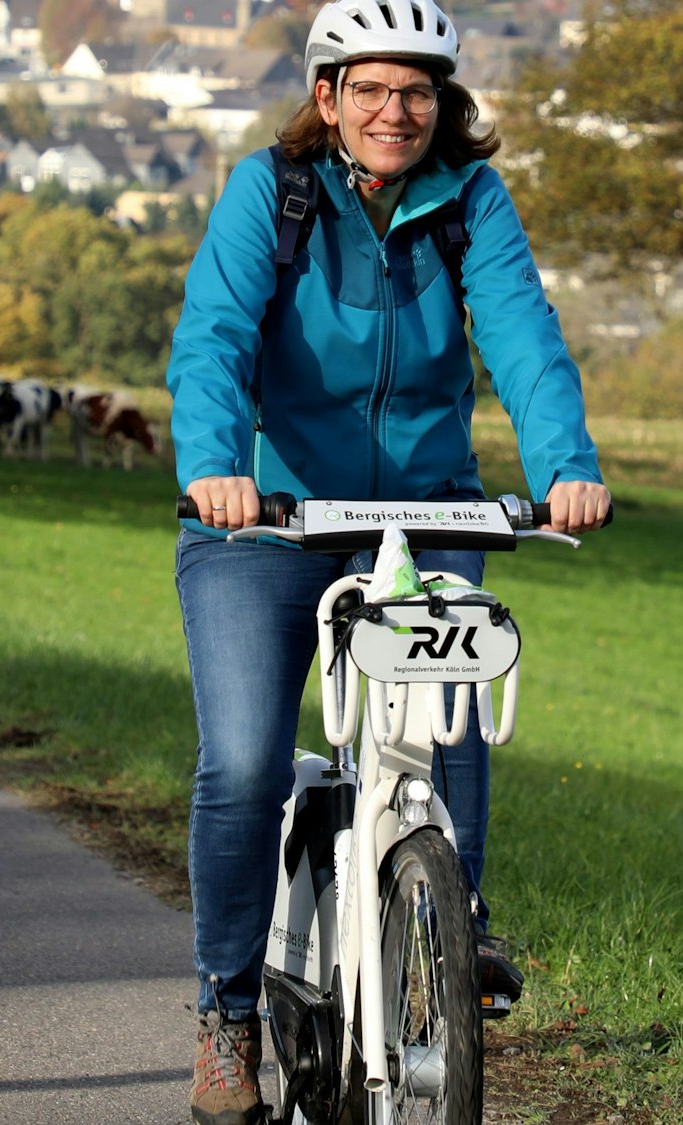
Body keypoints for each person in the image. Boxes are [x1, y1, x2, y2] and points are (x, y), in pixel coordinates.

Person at [167, 0, 610, 1119]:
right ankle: (224, 1015)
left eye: (415, 92)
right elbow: (213, 337)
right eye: (368, 89)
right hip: (263, 519)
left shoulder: (471, 200)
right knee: (243, 766)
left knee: (449, 711)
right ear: (326, 98)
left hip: (422, 517)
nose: (392, 111)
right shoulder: (270, 193)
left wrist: (565, 466)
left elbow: (521, 334)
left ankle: (452, 925)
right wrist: (218, 465)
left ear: (443, 105)